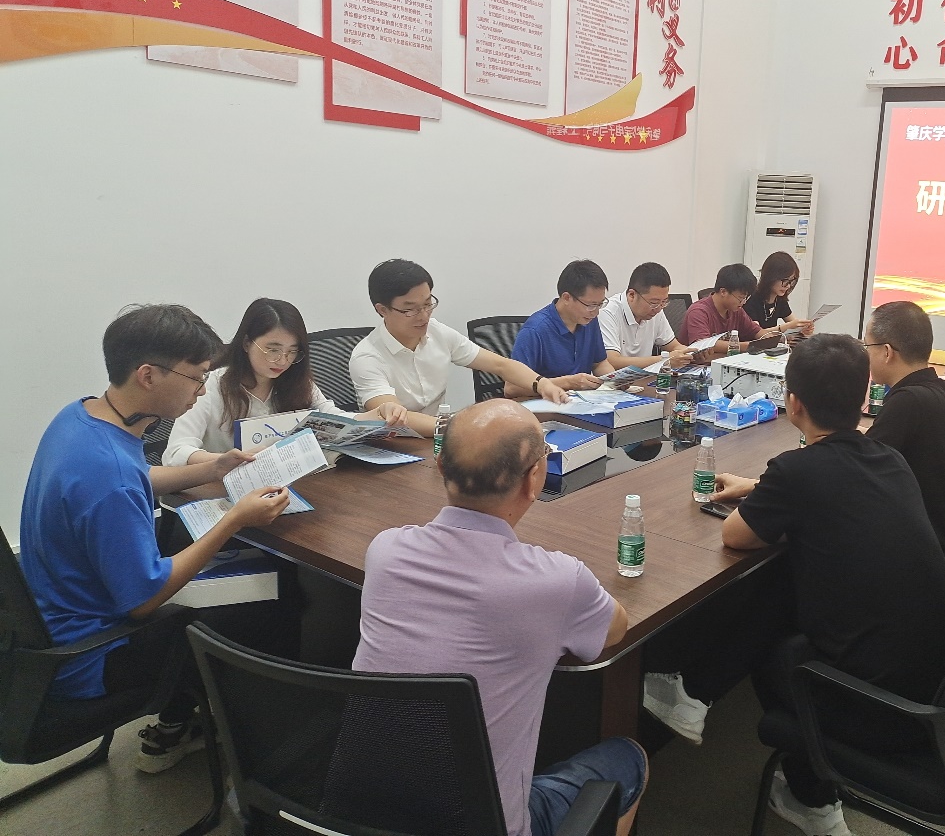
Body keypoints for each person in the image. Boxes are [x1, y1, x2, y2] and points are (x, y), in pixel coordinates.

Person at [642, 335, 945, 836]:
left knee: (775, 595)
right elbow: (832, 492)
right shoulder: (888, 459)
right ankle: (694, 696)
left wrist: (769, 489)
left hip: (875, 708)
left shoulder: (799, 471)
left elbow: (734, 535)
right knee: (787, 576)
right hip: (938, 680)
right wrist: (764, 486)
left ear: (792, 403)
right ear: (864, 398)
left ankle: (808, 796)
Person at [353, 400, 646, 836]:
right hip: (488, 826)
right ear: (535, 478)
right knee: (629, 758)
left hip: (361, 813)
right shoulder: (557, 580)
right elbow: (614, 629)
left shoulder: (385, 550)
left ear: (440, 465)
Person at [19, 304, 291, 772]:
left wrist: (214, 467)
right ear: (147, 375)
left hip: (48, 626)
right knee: (270, 608)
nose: (201, 390)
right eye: (196, 378)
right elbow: (143, 601)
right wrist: (234, 520)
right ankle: (248, 753)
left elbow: (136, 476)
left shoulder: (81, 416)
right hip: (91, 656)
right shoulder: (110, 477)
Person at [163, 298, 409, 465]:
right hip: (227, 491)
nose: (283, 360)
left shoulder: (295, 380)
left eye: (292, 351)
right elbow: (176, 453)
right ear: (247, 343)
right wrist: (227, 460)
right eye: (273, 350)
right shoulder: (213, 386)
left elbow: (333, 419)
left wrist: (378, 414)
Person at [351, 259, 569, 429]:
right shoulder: (367, 357)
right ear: (382, 310)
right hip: (393, 448)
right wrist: (459, 426)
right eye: (410, 309)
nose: (424, 315)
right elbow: (396, 418)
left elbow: (501, 365)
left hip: (438, 438)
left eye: (427, 304)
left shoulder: (437, 332)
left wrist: (542, 384)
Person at [863, 301, 945, 563]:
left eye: (867, 346)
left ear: (887, 352)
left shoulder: (908, 401)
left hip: (940, 557)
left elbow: (858, 474)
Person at [507, 260, 617, 396]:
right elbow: (511, 389)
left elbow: (599, 364)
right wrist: (567, 383)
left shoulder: (589, 320)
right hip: (546, 404)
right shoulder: (535, 330)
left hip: (582, 401)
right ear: (566, 298)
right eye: (591, 305)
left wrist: (616, 381)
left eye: (600, 304)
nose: (596, 312)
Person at [598, 262, 700, 370]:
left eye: (664, 302)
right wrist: (665, 360)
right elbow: (612, 361)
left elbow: (673, 346)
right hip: (620, 378)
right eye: (654, 302)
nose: (659, 308)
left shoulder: (656, 310)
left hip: (647, 376)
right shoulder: (608, 312)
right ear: (632, 295)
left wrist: (692, 354)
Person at [679, 264, 780, 349]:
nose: (743, 302)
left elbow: (756, 331)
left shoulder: (736, 310)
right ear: (723, 292)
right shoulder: (699, 312)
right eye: (741, 298)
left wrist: (771, 341)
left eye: (746, 298)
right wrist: (748, 346)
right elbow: (704, 345)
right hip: (696, 365)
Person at [744, 251, 815, 335]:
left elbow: (794, 323)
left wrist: (803, 329)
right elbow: (756, 333)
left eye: (791, 281)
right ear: (771, 277)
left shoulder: (779, 299)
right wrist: (786, 327)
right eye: (785, 280)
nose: (788, 286)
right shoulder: (751, 299)